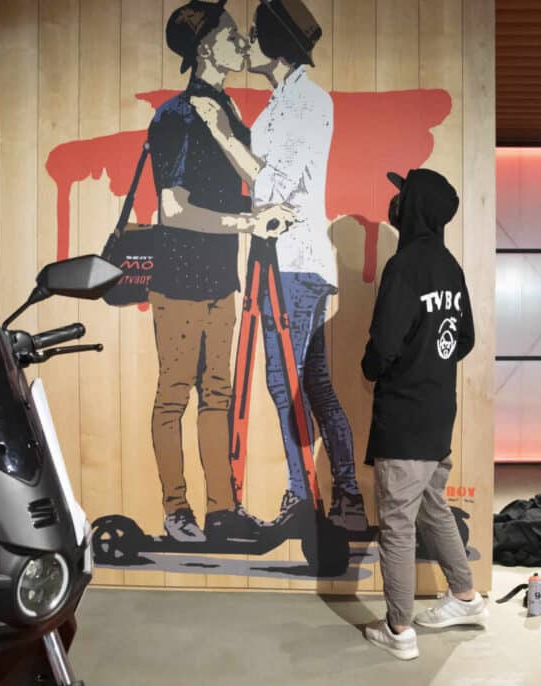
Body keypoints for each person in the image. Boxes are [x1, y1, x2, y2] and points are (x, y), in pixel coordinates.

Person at [191, 0, 367, 534]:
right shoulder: (279, 105)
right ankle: (345, 497)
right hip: (283, 263)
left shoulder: (307, 102)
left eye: (254, 33)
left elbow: (271, 187)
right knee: (311, 383)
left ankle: (305, 494)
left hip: (294, 264)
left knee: (283, 380)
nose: (247, 42)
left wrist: (221, 133)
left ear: (276, 44)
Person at [148, 0, 294, 543]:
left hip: (218, 280)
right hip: (179, 282)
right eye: (232, 36)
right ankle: (176, 510)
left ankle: (222, 510)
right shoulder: (177, 116)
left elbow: (254, 178)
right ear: (205, 48)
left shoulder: (225, 109)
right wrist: (248, 223)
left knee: (217, 396)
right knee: (174, 396)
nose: (243, 44)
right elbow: (173, 210)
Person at [362, 169, 486, 660]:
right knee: (434, 508)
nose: (395, 204)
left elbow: (383, 347)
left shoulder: (404, 267)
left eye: (402, 195)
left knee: (397, 523)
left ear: (414, 206)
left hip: (404, 418)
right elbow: (465, 338)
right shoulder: (450, 267)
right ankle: (466, 597)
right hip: (438, 414)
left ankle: (399, 629)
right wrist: (432, 361)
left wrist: (376, 367)